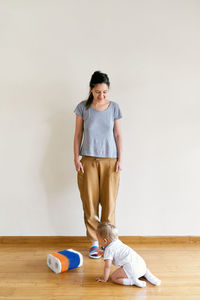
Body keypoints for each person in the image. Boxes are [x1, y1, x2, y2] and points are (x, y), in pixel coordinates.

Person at [73, 71, 122, 258]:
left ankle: (108, 244)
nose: (101, 96)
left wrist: (121, 159)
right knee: (90, 203)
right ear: (91, 89)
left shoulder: (115, 108)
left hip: (111, 161)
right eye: (98, 92)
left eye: (105, 92)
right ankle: (95, 243)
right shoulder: (82, 108)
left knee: (109, 204)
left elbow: (118, 135)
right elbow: (78, 135)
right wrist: (76, 158)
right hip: (88, 160)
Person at [96, 222, 161, 287]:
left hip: (133, 269)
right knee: (137, 267)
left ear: (105, 240)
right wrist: (104, 252)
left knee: (114, 277)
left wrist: (104, 278)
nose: (98, 241)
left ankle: (133, 281)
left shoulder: (109, 250)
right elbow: (114, 251)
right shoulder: (117, 241)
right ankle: (149, 276)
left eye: (98, 239)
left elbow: (107, 267)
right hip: (141, 264)